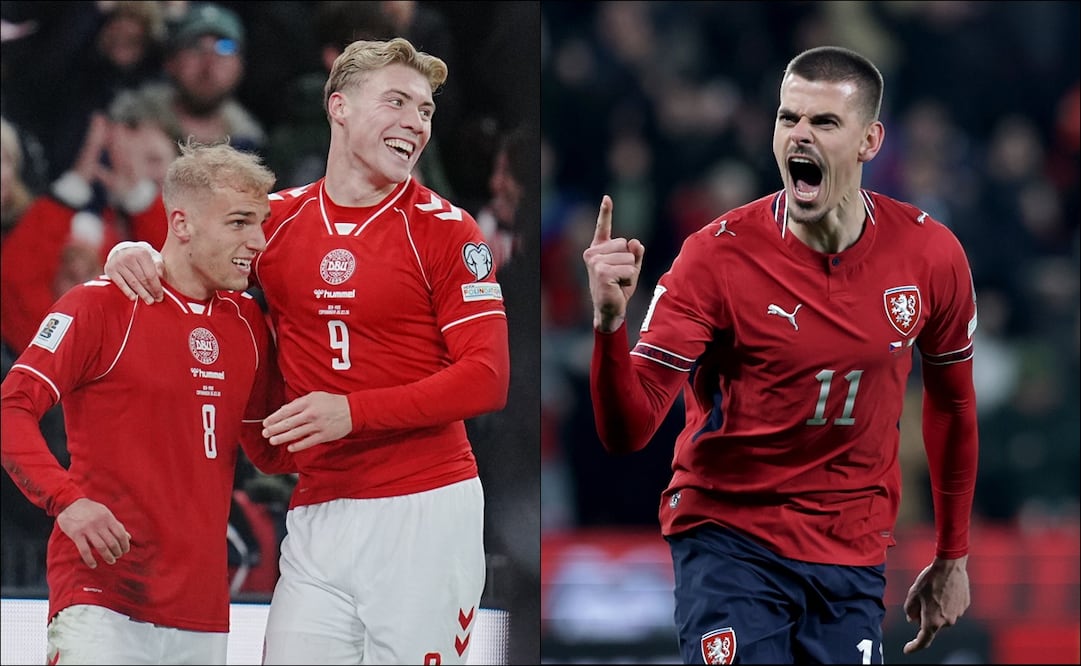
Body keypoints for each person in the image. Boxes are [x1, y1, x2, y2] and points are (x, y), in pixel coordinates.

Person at [105, 37, 510, 665]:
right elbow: (184, 265)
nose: (415, 122)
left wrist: (353, 412)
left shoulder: (448, 230)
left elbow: (486, 377)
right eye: (397, 102)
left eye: (426, 110)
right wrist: (131, 252)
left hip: (423, 509)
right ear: (339, 106)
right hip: (317, 508)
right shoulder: (276, 220)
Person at [582, 45, 978, 664]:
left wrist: (953, 555)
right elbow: (626, 430)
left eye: (824, 122)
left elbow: (952, 407)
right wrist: (610, 326)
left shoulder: (931, 256)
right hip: (730, 539)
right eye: (788, 117)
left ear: (870, 141)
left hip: (850, 553)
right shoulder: (714, 258)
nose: (800, 135)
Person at [0, 140, 293, 664]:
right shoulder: (101, 305)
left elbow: (269, 448)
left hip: (204, 610)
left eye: (261, 224)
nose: (257, 241)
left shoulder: (248, 323)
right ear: (182, 224)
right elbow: (10, 408)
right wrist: (66, 501)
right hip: (102, 596)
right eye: (239, 223)